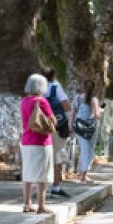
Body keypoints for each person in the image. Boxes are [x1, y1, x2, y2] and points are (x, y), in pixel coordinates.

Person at [20, 73, 56, 213]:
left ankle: (27, 203)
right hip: (41, 141)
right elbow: (52, 120)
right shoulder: (41, 101)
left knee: (28, 173)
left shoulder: (24, 101)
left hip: (26, 141)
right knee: (42, 174)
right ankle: (41, 205)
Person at [42, 67, 72, 199]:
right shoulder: (55, 86)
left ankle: (44, 186)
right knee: (56, 156)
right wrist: (70, 123)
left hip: (41, 127)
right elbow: (65, 106)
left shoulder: (37, 88)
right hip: (56, 126)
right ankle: (55, 186)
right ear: (54, 76)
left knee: (45, 156)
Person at [72, 80, 101, 183]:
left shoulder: (77, 98)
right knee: (90, 150)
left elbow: (73, 113)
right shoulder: (94, 100)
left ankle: (81, 172)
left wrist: (71, 126)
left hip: (79, 127)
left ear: (83, 87)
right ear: (94, 89)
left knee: (84, 149)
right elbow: (96, 115)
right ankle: (84, 174)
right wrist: (100, 111)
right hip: (90, 128)